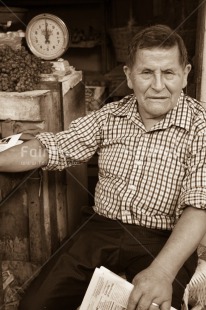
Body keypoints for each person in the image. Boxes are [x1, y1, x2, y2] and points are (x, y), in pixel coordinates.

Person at [0, 24, 205, 310]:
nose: (158, 85)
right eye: (146, 72)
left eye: (168, 72)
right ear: (129, 76)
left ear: (185, 75)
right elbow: (52, 147)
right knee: (35, 304)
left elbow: (199, 207)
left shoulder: (200, 125)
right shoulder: (111, 115)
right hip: (100, 229)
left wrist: (162, 272)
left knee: (151, 303)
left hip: (162, 239)